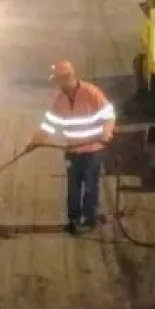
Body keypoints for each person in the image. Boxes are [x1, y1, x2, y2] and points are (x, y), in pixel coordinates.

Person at [25, 60, 116, 234]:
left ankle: (89, 220)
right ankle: (73, 219)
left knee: (90, 186)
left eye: (58, 80)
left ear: (68, 77)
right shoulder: (60, 100)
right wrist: (34, 142)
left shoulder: (91, 93)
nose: (57, 84)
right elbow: (49, 125)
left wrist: (106, 133)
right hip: (73, 152)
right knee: (73, 188)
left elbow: (109, 115)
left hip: (93, 151)